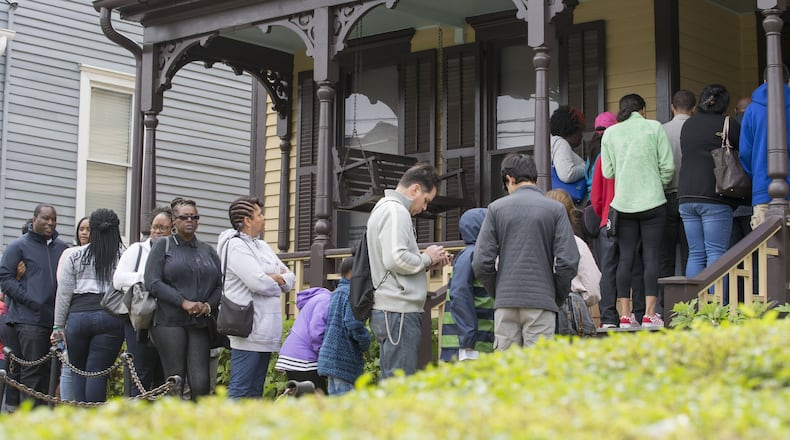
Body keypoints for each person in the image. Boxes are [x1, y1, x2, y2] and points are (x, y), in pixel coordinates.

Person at [472, 153, 579, 349]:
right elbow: (568, 261)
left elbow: (480, 262)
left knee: (508, 373)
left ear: (509, 179)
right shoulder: (555, 209)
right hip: (541, 302)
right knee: (537, 372)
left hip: (505, 302)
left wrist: (499, 291)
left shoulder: (495, 209)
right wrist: (556, 294)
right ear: (535, 178)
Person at [367, 163, 451, 379]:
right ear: (415, 189)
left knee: (393, 379)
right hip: (398, 310)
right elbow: (395, 259)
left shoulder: (384, 207)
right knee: (399, 383)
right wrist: (427, 257)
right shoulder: (396, 211)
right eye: (426, 200)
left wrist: (427, 263)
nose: (424, 208)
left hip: (390, 308)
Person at [601, 94, 674, 328]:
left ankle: (625, 315)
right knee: (651, 256)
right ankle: (649, 315)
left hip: (623, 204)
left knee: (626, 258)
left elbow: (608, 172)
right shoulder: (654, 128)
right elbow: (668, 167)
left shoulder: (611, 133)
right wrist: (656, 183)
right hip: (653, 201)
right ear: (643, 110)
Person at [144, 197, 222, 401]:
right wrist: (183, 302)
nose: (190, 220)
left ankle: (197, 429)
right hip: (170, 321)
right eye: (184, 217)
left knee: (201, 382)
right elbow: (152, 282)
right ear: (174, 221)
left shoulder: (207, 250)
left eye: (194, 217)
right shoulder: (163, 245)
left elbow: (218, 285)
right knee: (174, 380)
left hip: (200, 321)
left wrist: (207, 306)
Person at [217, 196, 294, 399]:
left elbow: (291, 277)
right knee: (241, 390)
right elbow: (257, 282)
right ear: (247, 220)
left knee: (255, 392)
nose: (264, 218)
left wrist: (274, 278)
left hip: (267, 331)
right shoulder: (234, 246)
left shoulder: (262, 246)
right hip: (248, 330)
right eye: (259, 214)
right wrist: (276, 279)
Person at [52, 209, 125, 403]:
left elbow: (64, 294)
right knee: (97, 372)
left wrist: (58, 327)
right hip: (111, 317)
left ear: (92, 230)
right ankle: (94, 420)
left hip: (77, 317)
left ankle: (80, 418)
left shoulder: (75, 256)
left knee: (78, 370)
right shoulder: (123, 256)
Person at [0, 204, 68, 405]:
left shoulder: (62, 249)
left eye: (53, 219)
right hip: (27, 320)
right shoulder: (18, 246)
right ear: (34, 219)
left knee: (50, 372)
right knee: (31, 373)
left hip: (55, 320)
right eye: (46, 218)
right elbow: (5, 277)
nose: (50, 223)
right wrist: (30, 300)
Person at [679, 85, 740, 284]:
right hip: (715, 195)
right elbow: (743, 153)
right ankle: (714, 312)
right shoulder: (728, 123)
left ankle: (692, 310)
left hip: (686, 195)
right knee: (716, 252)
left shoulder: (688, 125)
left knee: (695, 253)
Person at [112, 207, 173, 396]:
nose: (157, 231)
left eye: (163, 228)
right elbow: (118, 279)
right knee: (140, 372)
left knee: (163, 374)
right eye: (154, 227)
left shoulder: (175, 252)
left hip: (167, 320)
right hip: (140, 319)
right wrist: (148, 278)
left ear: (173, 229)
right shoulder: (137, 250)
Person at [739, 66, 790, 229]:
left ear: (765, 81)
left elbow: (745, 153)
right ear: (788, 82)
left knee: (765, 247)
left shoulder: (752, 110)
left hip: (762, 187)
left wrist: (756, 174)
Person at [439, 208, 494, 362]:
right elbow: (459, 293)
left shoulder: (475, 253)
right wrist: (468, 338)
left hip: (473, 338)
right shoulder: (472, 254)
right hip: (468, 342)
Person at [660, 89, 695, 314]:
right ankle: (688, 304)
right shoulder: (694, 129)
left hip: (665, 196)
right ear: (693, 108)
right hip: (690, 195)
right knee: (690, 252)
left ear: (672, 107)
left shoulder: (661, 130)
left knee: (664, 256)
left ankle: (664, 306)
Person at [318, 257, 371, 395]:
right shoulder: (351, 293)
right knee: (346, 405)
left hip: (329, 357)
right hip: (344, 359)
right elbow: (353, 324)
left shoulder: (336, 292)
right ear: (354, 272)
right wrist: (366, 341)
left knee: (335, 407)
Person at [546, 190, 601, 308]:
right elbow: (593, 288)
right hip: (571, 303)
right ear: (571, 213)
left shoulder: (533, 242)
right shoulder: (577, 243)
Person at [55, 216, 90, 401]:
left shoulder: (103, 253)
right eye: (81, 229)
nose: (84, 232)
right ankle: (69, 405)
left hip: (86, 315)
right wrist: (58, 325)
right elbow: (63, 287)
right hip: (72, 315)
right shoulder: (70, 254)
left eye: (88, 229)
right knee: (69, 364)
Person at [275, 287, 331, 394]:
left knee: (300, 400)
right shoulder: (325, 299)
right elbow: (316, 332)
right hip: (305, 360)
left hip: (291, 356)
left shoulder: (316, 299)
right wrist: (323, 354)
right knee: (318, 402)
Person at [550, 106, 587, 204]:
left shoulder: (553, 144)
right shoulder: (561, 143)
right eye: (580, 130)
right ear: (572, 129)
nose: (581, 135)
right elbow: (567, 174)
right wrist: (587, 167)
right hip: (563, 204)